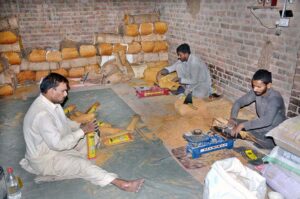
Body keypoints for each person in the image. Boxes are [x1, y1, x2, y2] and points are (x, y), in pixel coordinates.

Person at [19, 73, 144, 192]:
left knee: (93, 136)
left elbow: (65, 123)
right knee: (82, 165)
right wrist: (82, 131)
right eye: (63, 91)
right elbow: (58, 145)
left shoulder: (51, 103)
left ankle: (73, 162)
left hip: (56, 146)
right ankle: (122, 184)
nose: (66, 94)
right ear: (51, 91)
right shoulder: (42, 115)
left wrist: (82, 126)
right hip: (46, 159)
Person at [228, 69, 286, 149]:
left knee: (252, 145)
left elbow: (266, 121)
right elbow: (239, 102)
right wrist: (233, 118)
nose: (255, 89)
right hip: (260, 127)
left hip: (271, 132)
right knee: (230, 126)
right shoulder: (257, 92)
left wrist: (243, 125)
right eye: (254, 86)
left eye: (259, 87)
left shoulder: (275, 99)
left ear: (268, 85)